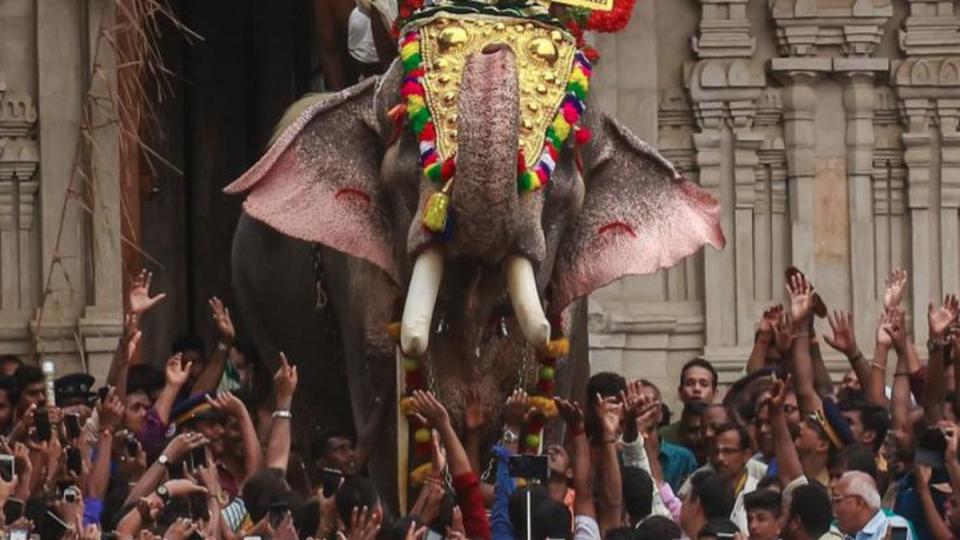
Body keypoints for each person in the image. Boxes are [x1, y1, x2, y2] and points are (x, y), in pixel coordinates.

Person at [833, 471, 915, 540]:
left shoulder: (894, 526)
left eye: (837, 500)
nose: (834, 508)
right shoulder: (838, 533)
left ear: (859, 502)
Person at [662, 359, 719, 447]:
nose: (697, 389)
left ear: (714, 394)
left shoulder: (722, 435)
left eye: (704, 384)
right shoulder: (664, 436)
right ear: (680, 392)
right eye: (690, 383)